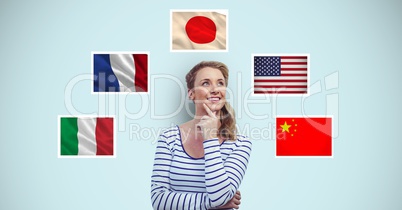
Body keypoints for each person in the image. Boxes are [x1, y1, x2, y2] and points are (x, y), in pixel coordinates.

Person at [150, 61, 252, 209]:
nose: (215, 89)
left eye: (220, 83)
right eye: (206, 83)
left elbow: (220, 195)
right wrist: (213, 204)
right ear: (191, 93)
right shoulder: (169, 138)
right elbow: (159, 200)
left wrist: (210, 138)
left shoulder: (240, 144)